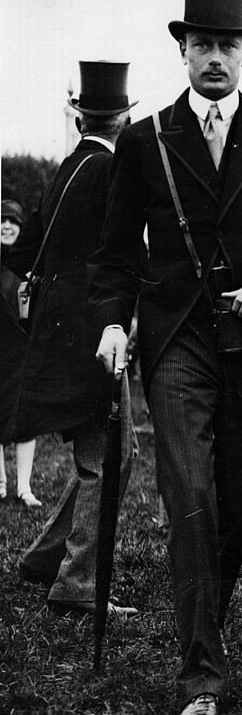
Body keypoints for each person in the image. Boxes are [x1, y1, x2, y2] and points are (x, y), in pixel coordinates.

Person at [89, 0, 242, 715]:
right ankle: (202, 671)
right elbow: (115, 251)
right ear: (183, 52)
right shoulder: (145, 139)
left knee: (240, 496)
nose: (215, 57)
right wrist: (112, 320)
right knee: (189, 495)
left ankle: (204, 614)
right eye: (203, 44)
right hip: (178, 338)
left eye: (228, 45)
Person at [5, 62, 138, 617]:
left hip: (60, 329)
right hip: (91, 331)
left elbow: (27, 246)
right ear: (122, 118)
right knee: (110, 458)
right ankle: (78, 583)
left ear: (82, 115)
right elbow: (119, 251)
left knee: (110, 456)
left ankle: (45, 560)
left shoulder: (67, 167)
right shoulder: (110, 169)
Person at [0, 199, 39, 506]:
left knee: (24, 418)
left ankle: (24, 488)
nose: (6, 226)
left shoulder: (30, 266)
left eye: (13, 221)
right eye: (2, 221)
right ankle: (0, 483)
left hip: (22, 352)